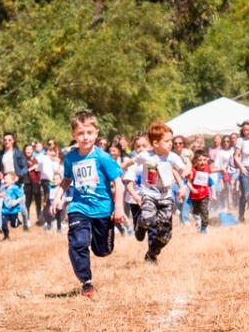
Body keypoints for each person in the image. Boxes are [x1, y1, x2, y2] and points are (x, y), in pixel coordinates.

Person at [62, 110, 126, 298]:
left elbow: (118, 183)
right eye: (80, 133)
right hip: (79, 208)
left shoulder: (103, 157)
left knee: (102, 250)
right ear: (74, 135)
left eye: (89, 132)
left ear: (96, 133)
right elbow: (67, 179)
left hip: (103, 210)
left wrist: (119, 208)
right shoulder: (70, 158)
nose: (85, 137)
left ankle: (102, 247)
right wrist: (58, 197)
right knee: (78, 243)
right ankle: (86, 282)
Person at [129, 122, 189, 264]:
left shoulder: (172, 156)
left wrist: (185, 174)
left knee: (165, 235)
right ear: (155, 143)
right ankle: (140, 225)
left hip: (166, 197)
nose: (170, 144)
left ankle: (152, 253)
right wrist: (117, 171)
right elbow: (130, 162)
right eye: (167, 141)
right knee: (148, 219)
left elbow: (181, 168)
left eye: (171, 141)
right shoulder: (146, 156)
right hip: (149, 194)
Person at [186, 150, 214, 233]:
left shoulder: (207, 169)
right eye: (200, 160)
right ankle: (199, 225)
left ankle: (204, 228)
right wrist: (192, 189)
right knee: (196, 212)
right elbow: (187, 182)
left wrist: (222, 170)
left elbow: (213, 170)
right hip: (195, 196)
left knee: (204, 211)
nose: (202, 162)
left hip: (205, 195)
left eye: (204, 160)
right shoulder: (193, 171)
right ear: (195, 161)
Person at [0, 173, 25, 240]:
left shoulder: (15, 188)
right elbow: (0, 195)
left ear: (13, 181)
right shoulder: (3, 188)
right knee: (3, 224)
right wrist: (0, 195)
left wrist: (16, 202)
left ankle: (17, 221)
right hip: (5, 210)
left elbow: (22, 197)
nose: (5, 180)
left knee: (14, 225)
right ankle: (6, 237)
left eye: (7, 179)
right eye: (4, 179)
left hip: (14, 210)